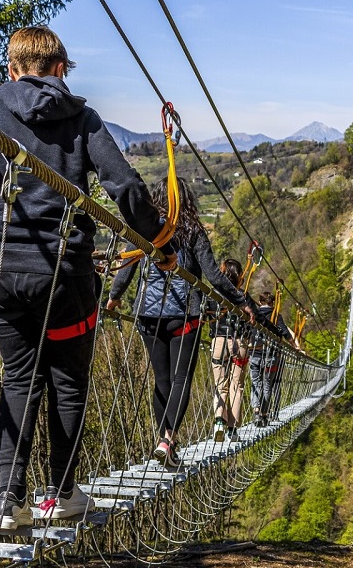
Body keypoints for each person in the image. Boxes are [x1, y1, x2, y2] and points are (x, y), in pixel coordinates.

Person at [0, 27, 171, 531]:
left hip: (0, 279)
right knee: (68, 382)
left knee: (19, 378)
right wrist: (162, 245)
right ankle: (62, 493)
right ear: (61, 69)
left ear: (11, 69)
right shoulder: (83, 120)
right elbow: (127, 188)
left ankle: (7, 500)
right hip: (67, 281)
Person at [106, 179, 253, 467]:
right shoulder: (193, 231)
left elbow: (126, 266)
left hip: (147, 316)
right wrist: (240, 300)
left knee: (161, 380)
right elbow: (213, 275)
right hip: (184, 316)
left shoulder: (144, 226)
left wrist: (113, 298)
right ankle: (168, 439)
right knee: (179, 379)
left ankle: (165, 441)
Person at [209, 259, 250, 442]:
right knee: (236, 385)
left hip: (219, 341)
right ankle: (232, 430)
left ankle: (219, 421)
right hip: (239, 342)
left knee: (220, 384)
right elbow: (260, 321)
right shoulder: (244, 297)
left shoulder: (212, 295)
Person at [247, 290, 294, 427]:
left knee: (256, 384)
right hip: (271, 356)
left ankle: (256, 411)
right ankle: (264, 414)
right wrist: (295, 346)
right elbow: (285, 332)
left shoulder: (254, 314)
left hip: (254, 354)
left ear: (260, 302)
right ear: (272, 303)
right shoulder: (276, 316)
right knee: (267, 385)